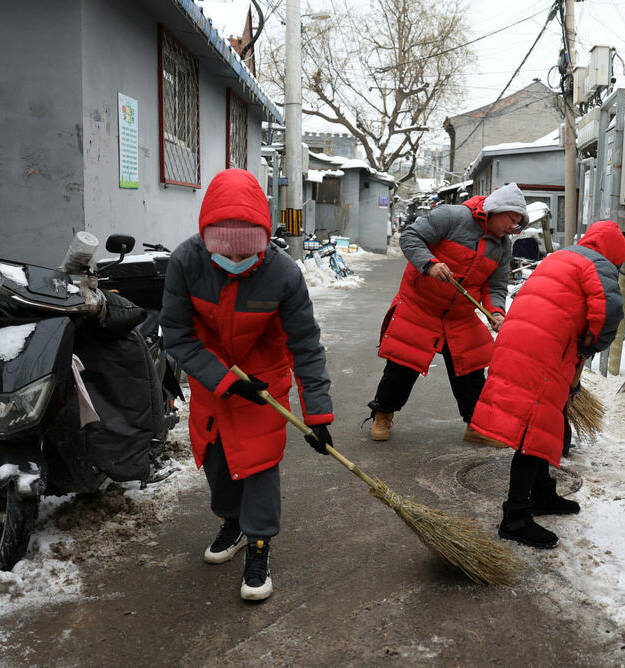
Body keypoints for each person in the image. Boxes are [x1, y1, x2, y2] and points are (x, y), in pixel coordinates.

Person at [160, 169, 334, 601]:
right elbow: (178, 335)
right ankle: (232, 522)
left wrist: (318, 414)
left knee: (258, 464)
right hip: (213, 381)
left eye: (247, 256)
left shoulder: (282, 273)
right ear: (206, 240)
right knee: (219, 464)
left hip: (264, 383)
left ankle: (259, 543)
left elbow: (305, 345)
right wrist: (223, 380)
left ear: (263, 241)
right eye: (225, 254)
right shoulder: (186, 263)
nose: (235, 263)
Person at [469, 220, 625, 549]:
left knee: (545, 426)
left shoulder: (561, 257)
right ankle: (515, 517)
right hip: (542, 353)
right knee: (533, 431)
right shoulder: (598, 264)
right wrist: (590, 345)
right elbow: (611, 311)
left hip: (519, 341)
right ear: (613, 253)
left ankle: (542, 493)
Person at [366, 183, 528, 444]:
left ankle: (476, 425)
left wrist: (496, 312)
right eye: (511, 219)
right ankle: (383, 413)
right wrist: (429, 264)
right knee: (402, 366)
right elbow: (410, 237)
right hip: (420, 305)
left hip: (459, 316)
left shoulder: (502, 246)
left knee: (471, 369)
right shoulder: (452, 217)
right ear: (497, 209)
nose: (512, 227)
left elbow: (495, 286)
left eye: (517, 223)